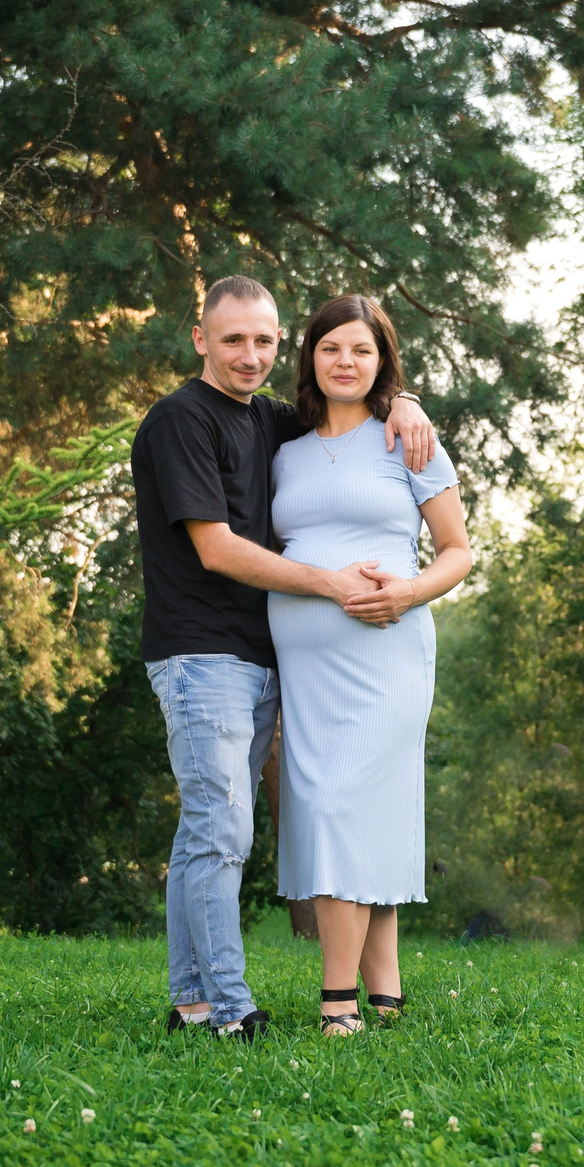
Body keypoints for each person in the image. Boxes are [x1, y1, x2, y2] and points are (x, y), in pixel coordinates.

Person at [130, 276, 433, 1041]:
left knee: (209, 829)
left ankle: (191, 1000)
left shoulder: (269, 422)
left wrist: (404, 399)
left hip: (264, 657)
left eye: (264, 340)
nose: (249, 354)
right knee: (220, 831)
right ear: (200, 337)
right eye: (233, 339)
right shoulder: (178, 421)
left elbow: (351, 397)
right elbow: (218, 547)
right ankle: (229, 1009)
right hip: (202, 655)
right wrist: (332, 584)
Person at [269, 295, 472, 1035]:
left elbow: (457, 550)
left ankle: (338, 1003)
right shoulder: (282, 447)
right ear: (310, 359)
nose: (345, 363)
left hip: (387, 655)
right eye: (331, 350)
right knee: (350, 813)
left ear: (384, 360)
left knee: (338, 808)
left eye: (362, 350)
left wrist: (409, 593)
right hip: (307, 669)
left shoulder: (408, 439)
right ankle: (384, 989)